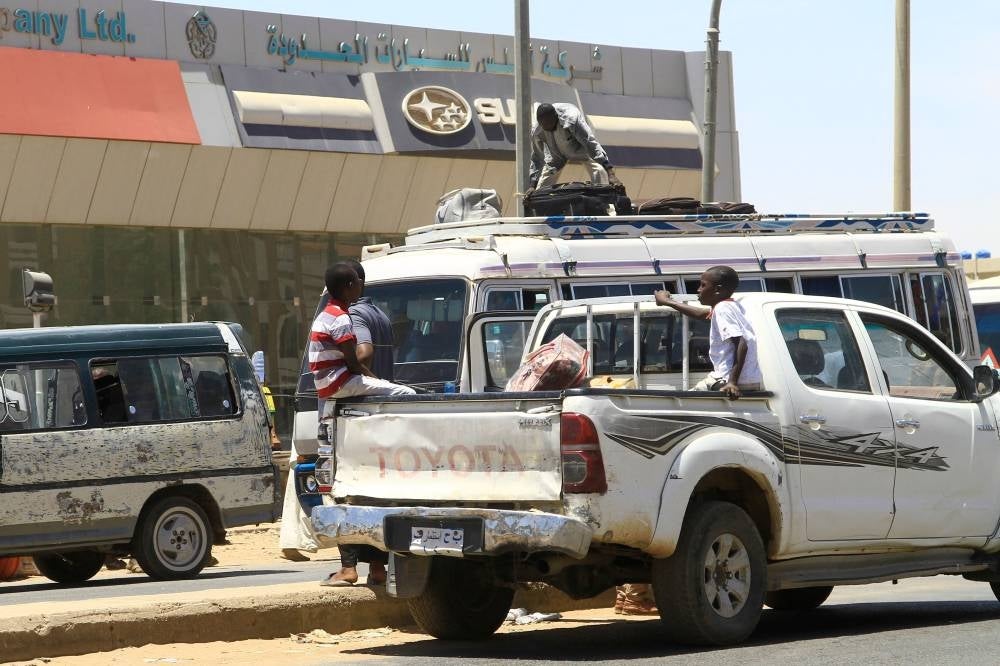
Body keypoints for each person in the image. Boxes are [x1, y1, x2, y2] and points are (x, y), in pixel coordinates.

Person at [311, 262, 414, 586]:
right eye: (357, 282)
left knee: (353, 494)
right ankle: (365, 569)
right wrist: (369, 375)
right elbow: (358, 356)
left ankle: (356, 569)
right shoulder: (345, 316)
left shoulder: (330, 314)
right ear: (349, 286)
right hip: (345, 388)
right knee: (406, 393)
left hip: (343, 400)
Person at [654, 265, 763, 398]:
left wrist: (732, 382)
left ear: (717, 289)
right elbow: (700, 314)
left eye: (703, 285)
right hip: (749, 379)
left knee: (680, 402)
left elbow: (742, 343)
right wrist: (668, 302)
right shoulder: (731, 306)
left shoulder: (722, 308)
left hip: (727, 379)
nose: (698, 290)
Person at [527, 102, 621, 192]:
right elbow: (537, 158)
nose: (548, 127)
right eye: (544, 126)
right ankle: (541, 206)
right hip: (556, 155)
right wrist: (532, 186)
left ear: (556, 116)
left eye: (550, 123)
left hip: (580, 149)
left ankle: (604, 205)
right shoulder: (537, 131)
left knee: (599, 170)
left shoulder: (571, 120)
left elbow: (590, 144)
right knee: (540, 189)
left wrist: (610, 173)